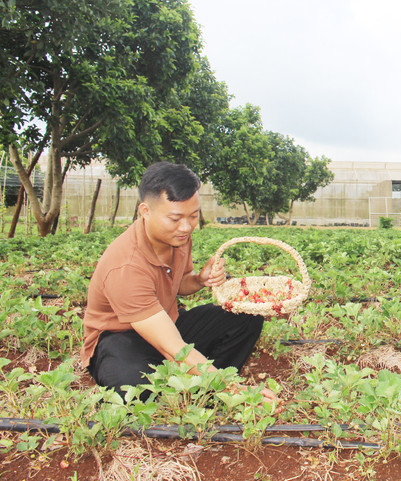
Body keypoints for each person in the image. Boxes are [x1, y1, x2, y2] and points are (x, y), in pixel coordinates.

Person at [80, 162, 275, 403]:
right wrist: (238, 391)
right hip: (121, 337)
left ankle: (205, 389)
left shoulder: (178, 238)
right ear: (145, 211)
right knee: (133, 390)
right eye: (175, 218)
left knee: (245, 317)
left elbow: (179, 283)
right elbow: (172, 347)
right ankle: (212, 384)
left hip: (165, 321)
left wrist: (199, 280)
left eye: (193, 216)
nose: (186, 227)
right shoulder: (126, 267)